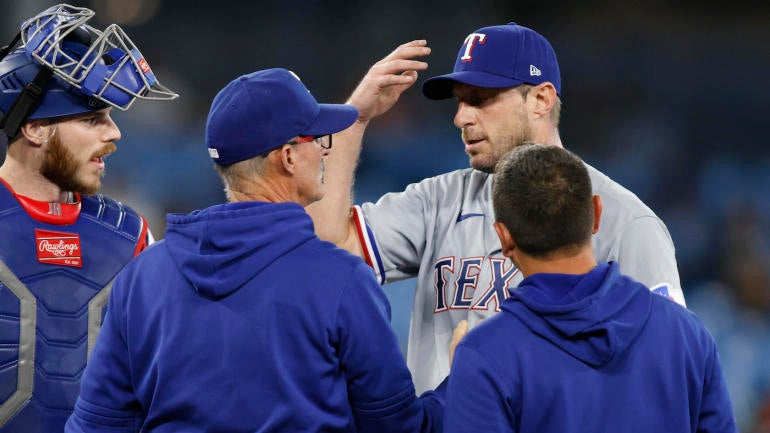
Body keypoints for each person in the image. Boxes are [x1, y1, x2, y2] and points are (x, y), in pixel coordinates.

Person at [64, 68, 458, 433]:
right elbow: (398, 429)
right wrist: (460, 382)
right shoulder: (339, 279)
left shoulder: (143, 276)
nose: (325, 151)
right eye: (317, 139)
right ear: (287, 157)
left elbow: (96, 426)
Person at [307, 23, 685, 393]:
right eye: (459, 100)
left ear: (541, 99)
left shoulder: (625, 220)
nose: (461, 117)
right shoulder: (439, 200)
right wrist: (354, 120)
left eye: (481, 99)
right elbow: (330, 248)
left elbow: (665, 371)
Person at [443, 143, 736, 433]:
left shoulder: (486, 356)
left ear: (504, 237)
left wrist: (461, 382)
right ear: (597, 214)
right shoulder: (686, 334)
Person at [0, 4, 177, 433]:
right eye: (92, 118)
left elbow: (165, 376)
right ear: (35, 128)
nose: (114, 133)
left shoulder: (132, 235)